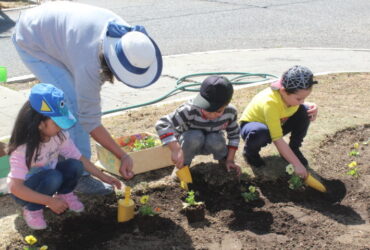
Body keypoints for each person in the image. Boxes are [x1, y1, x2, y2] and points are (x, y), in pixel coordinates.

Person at [12, 1, 163, 194]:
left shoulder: (129, 39)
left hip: (56, 32)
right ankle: (80, 177)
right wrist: (122, 155)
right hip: (32, 38)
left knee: (72, 100)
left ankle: (59, 154)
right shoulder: (90, 63)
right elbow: (89, 120)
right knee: (70, 104)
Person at [7, 83, 122, 230]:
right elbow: (16, 187)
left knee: (75, 165)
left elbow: (79, 157)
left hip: (49, 179)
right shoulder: (23, 149)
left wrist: (103, 176)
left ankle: (65, 194)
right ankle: (33, 209)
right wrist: (49, 201)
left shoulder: (59, 136)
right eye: (57, 123)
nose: (61, 127)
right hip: (25, 191)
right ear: (40, 124)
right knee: (53, 176)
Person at [239, 65, 319, 179]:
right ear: (283, 91)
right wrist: (297, 165)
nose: (302, 101)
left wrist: (312, 106)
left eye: (305, 98)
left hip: (278, 122)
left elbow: (298, 104)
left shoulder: (289, 96)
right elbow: (277, 139)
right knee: (260, 132)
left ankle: (293, 149)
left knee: (305, 111)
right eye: (299, 99)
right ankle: (250, 153)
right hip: (253, 128)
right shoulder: (270, 103)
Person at [155, 76, 241, 176]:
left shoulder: (230, 112)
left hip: (212, 142)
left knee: (215, 138)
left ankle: (224, 160)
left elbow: (234, 135)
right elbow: (162, 124)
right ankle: (183, 165)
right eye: (207, 109)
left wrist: (230, 160)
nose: (212, 115)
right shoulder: (189, 110)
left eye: (218, 111)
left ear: (226, 105)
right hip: (189, 144)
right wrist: (176, 149)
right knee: (194, 136)